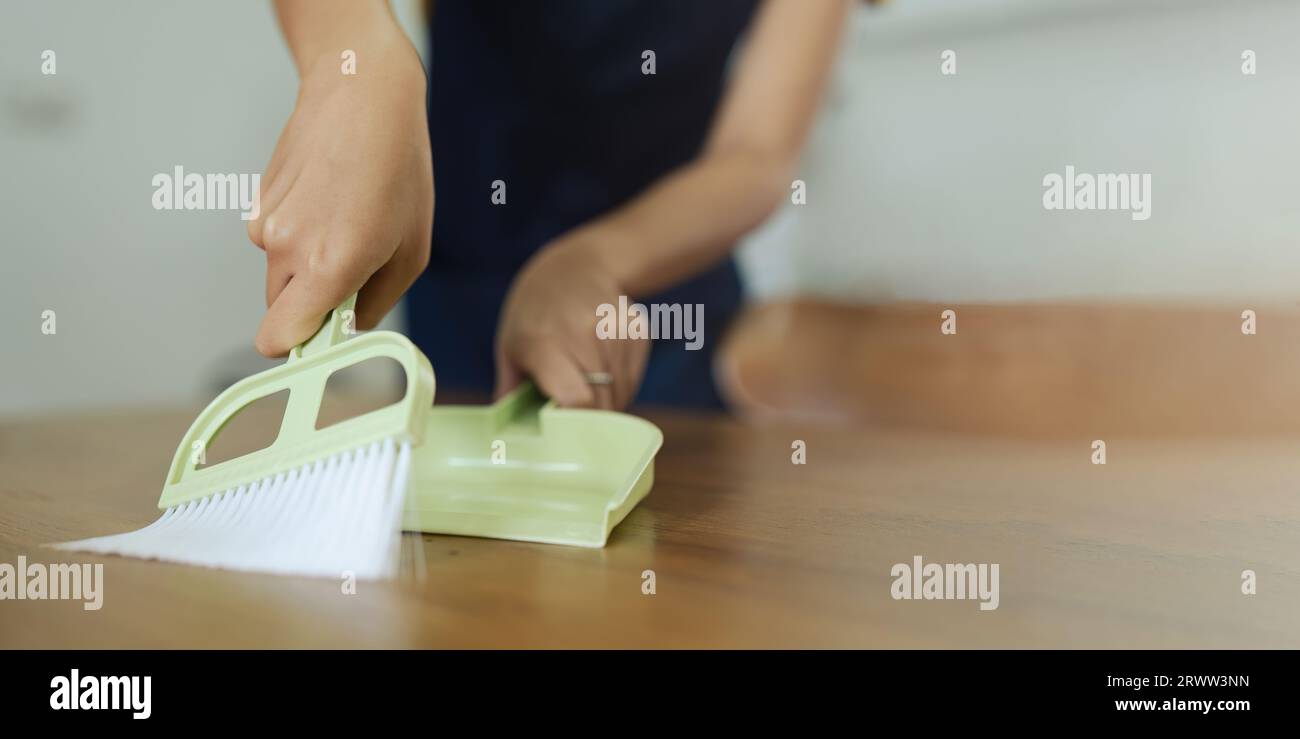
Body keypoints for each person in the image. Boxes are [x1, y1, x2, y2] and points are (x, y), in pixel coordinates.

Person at [249, 0, 848, 409]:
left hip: (658, 296)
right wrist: (354, 62)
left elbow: (757, 156)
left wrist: (593, 263)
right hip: (462, 282)